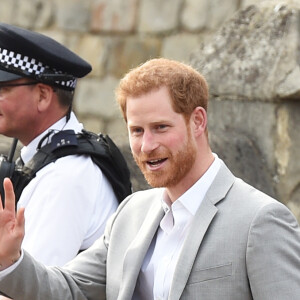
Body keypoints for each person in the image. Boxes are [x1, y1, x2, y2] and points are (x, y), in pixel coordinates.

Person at [0, 57, 300, 299]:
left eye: (160, 128)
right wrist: (11, 260)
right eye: (136, 131)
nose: (146, 146)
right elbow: (66, 288)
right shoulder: (130, 214)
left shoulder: (260, 220)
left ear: (197, 121)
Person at [0, 23, 118, 268]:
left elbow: (32, 290)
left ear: (43, 96)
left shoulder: (65, 176)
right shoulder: (46, 160)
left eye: (3, 88)